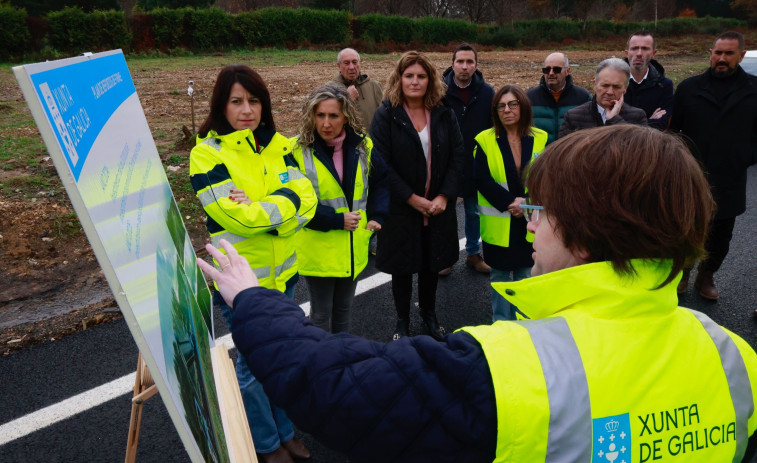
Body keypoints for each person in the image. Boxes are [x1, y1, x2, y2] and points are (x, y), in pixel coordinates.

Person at [198, 125, 757, 462]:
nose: (530, 225)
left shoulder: (509, 365)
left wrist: (252, 298)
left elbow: (333, 383)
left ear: (589, 235)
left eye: (541, 210)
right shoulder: (734, 356)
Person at [188, 65, 316, 463]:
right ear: (221, 106)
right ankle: (266, 443)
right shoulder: (206, 154)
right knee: (252, 364)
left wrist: (264, 208)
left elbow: (309, 201)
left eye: (254, 101)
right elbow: (233, 216)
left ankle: (286, 431)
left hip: (284, 276)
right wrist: (282, 207)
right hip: (239, 283)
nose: (247, 110)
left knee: (279, 357)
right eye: (237, 101)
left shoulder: (281, 145)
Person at [369, 51, 464, 341]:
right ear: (399, 79)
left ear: (430, 79)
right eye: (408, 76)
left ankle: (429, 316)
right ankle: (401, 321)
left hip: (437, 208)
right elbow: (380, 163)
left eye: (421, 76)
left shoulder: (444, 112)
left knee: (431, 265)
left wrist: (445, 197)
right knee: (402, 268)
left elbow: (457, 156)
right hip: (401, 209)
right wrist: (412, 198)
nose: (415, 81)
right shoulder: (387, 114)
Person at [291, 82, 389, 333]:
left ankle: (341, 361)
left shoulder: (363, 146)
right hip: (319, 251)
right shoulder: (295, 151)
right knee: (321, 315)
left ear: (346, 116)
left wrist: (377, 215)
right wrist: (336, 220)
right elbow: (294, 203)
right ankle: (322, 367)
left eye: (333, 115)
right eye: (320, 115)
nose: (326, 123)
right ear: (311, 115)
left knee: (344, 312)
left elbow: (381, 183)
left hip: (353, 247)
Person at [669, 31, 757, 301]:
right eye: (717, 53)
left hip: (730, 176)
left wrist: (743, 157)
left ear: (741, 55)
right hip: (691, 175)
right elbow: (674, 131)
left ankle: (706, 276)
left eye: (729, 54)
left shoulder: (754, 90)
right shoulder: (688, 88)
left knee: (721, 236)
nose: (721, 59)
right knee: (685, 229)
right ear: (710, 53)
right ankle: (682, 273)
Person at [474, 85, 547, 321]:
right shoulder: (484, 140)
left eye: (513, 104)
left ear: (522, 106)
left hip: (528, 220)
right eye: (501, 106)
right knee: (500, 277)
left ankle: (525, 323)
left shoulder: (540, 138)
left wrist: (525, 203)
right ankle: (502, 324)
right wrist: (510, 203)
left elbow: (547, 177)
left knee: (527, 275)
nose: (507, 110)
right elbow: (481, 180)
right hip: (500, 221)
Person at [441, 43, 495, 275]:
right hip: (446, 161)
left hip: (476, 162)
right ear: (452, 64)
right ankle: (446, 257)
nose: (464, 66)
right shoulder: (439, 92)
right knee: (446, 211)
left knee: (473, 211)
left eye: (469, 62)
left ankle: (473, 253)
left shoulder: (487, 93)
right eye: (460, 61)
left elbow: (494, 127)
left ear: (476, 65)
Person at [559, 58, 647, 138]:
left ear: (625, 88)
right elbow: (562, 152)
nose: (610, 92)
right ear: (595, 85)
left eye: (616, 87)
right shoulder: (573, 117)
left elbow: (638, 150)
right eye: (605, 85)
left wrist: (615, 120)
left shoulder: (637, 117)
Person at [526, 52, 591, 144]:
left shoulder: (583, 97)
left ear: (567, 71)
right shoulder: (529, 98)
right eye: (547, 69)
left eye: (556, 69)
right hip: (542, 156)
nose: (551, 73)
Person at [623, 30, 674, 130]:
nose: (639, 53)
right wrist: (649, 121)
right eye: (634, 48)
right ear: (627, 53)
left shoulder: (664, 85)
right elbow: (610, 123)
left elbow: (661, 124)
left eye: (645, 49)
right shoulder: (613, 83)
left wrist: (626, 124)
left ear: (653, 53)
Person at [332, 48, 384, 130]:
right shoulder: (330, 89)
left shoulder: (375, 86)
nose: (351, 67)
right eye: (346, 63)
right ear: (339, 66)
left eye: (354, 62)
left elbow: (385, 117)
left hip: (372, 141)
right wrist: (348, 98)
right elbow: (330, 121)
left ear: (359, 64)